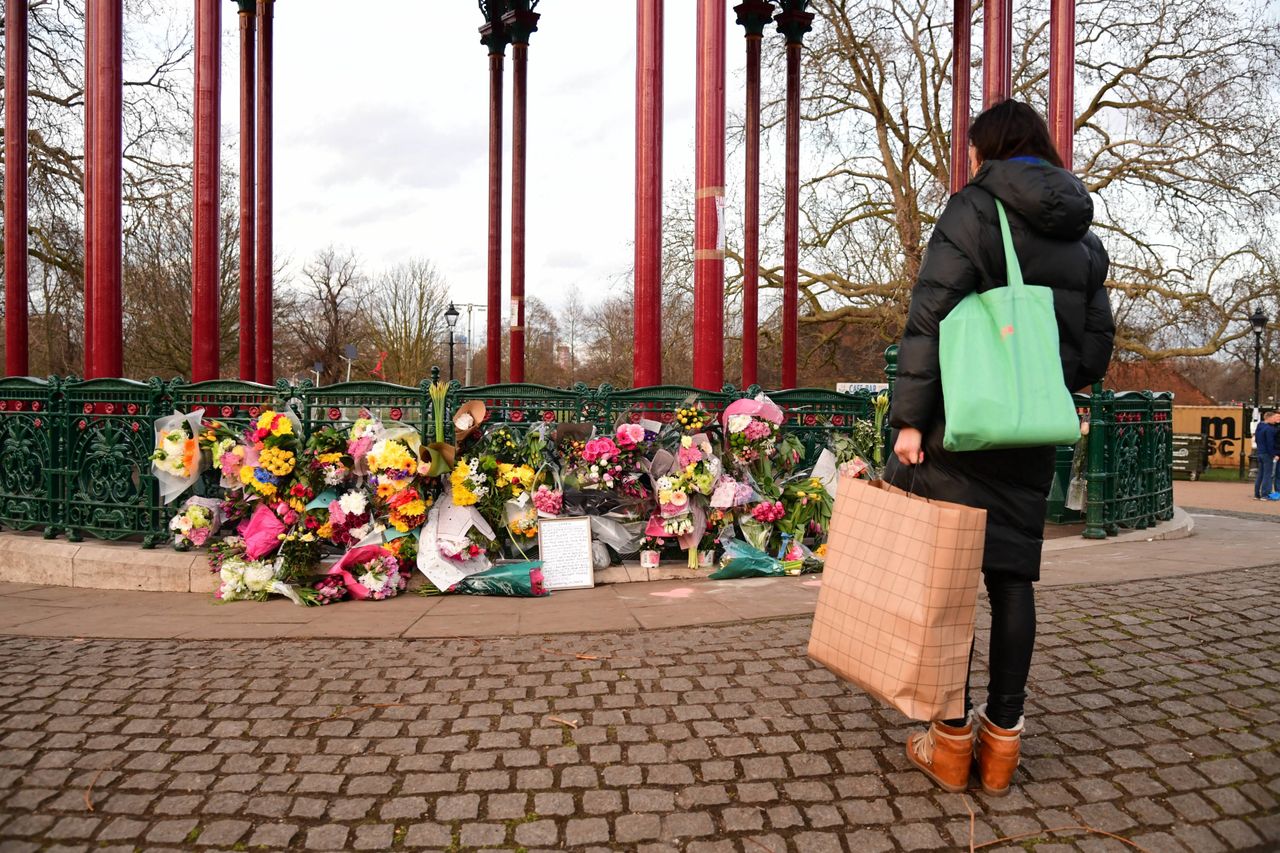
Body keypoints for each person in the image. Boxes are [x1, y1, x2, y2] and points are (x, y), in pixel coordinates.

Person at [883, 99, 1115, 796]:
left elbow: (929, 316)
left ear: (989, 150)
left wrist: (910, 420)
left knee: (950, 585)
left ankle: (950, 740)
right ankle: (1002, 744)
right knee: (1012, 578)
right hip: (1030, 430)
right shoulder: (1082, 236)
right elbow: (1095, 347)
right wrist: (1042, 385)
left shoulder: (972, 210)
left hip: (964, 424)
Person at [1254, 410, 1280, 501]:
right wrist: (1274, 454)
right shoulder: (1269, 429)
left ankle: (1257, 494)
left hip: (1260, 452)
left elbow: (1256, 439)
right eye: (1273, 418)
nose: (1274, 420)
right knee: (1267, 475)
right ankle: (1265, 494)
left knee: (1260, 474)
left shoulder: (1260, 426)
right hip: (1267, 454)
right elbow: (1270, 443)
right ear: (1269, 418)